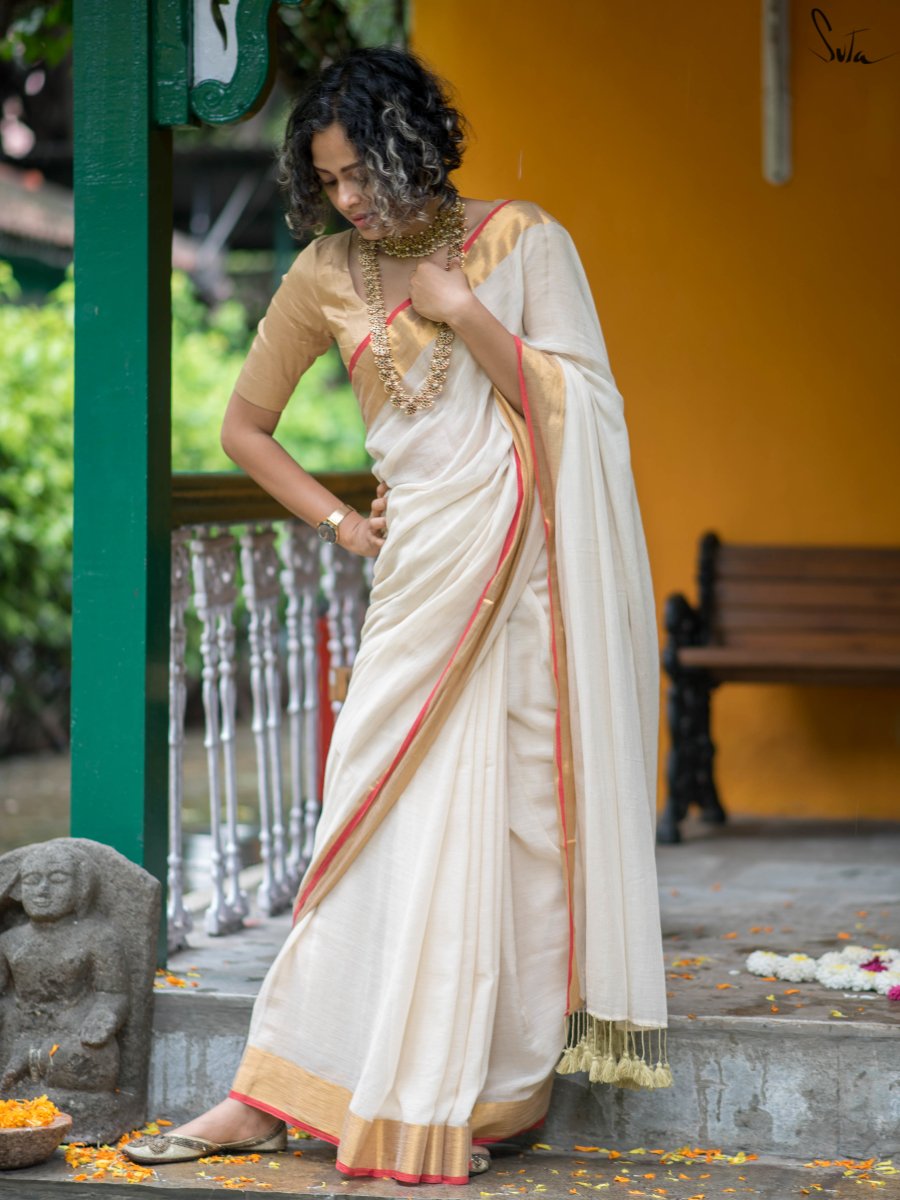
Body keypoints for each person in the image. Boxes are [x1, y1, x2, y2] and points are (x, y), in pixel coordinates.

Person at [125, 46, 672, 1185]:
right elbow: (244, 430)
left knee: (514, 829)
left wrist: (466, 310)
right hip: (420, 572)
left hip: (521, 584)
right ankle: (276, 1086)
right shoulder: (323, 273)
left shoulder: (523, 242)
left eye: (363, 171)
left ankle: (475, 1089)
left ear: (414, 144)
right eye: (329, 180)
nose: (351, 198)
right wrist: (340, 522)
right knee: (365, 822)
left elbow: (583, 408)